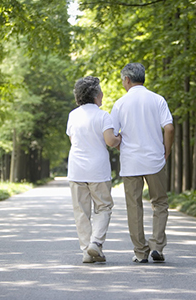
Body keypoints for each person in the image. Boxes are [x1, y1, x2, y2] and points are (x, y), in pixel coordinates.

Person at [111, 63, 174, 263]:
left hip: (131, 163)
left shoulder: (120, 103)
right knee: (160, 203)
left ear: (127, 80)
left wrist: (122, 146)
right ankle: (157, 246)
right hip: (155, 160)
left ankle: (140, 252)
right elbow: (169, 128)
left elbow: (112, 136)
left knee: (134, 206)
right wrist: (166, 151)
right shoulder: (158, 100)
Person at [67, 76, 121, 263]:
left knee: (81, 211)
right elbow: (111, 141)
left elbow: (73, 140)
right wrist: (120, 138)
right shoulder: (103, 115)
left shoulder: (73, 115)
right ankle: (96, 243)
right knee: (103, 207)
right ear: (96, 95)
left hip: (76, 170)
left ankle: (86, 252)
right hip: (98, 170)